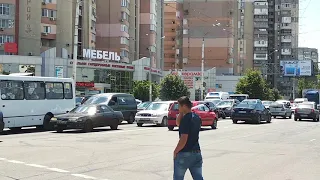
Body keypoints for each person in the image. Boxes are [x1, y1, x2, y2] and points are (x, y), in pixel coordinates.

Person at [173, 96, 203, 180]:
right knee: (198, 178)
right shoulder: (197, 117)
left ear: (185, 106)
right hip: (197, 153)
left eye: (179, 106)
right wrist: (182, 112)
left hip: (185, 154)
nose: (178, 108)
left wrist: (176, 151)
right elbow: (178, 124)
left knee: (178, 178)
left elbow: (184, 138)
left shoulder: (186, 119)